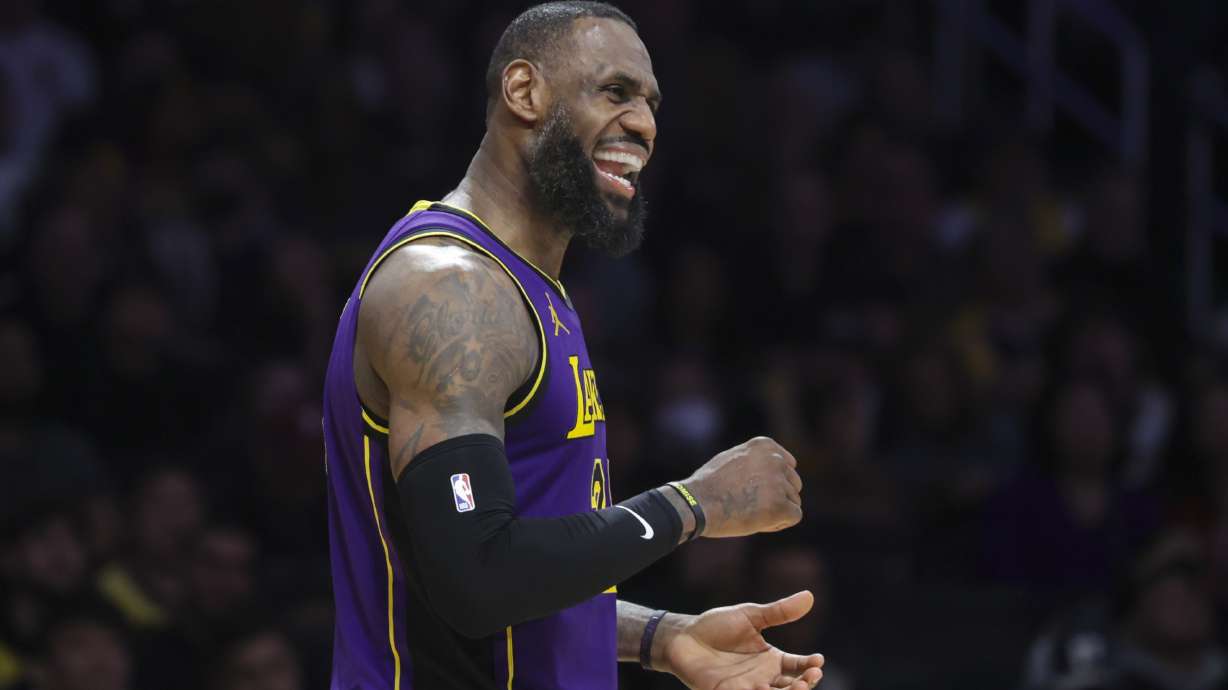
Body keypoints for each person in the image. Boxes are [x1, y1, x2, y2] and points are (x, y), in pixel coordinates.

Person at [321, 3, 823, 689]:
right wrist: (694, 503)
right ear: (525, 92)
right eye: (615, 92)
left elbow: (514, 575)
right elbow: (475, 578)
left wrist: (663, 637)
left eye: (650, 103)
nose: (644, 126)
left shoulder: (529, 288)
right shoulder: (449, 288)